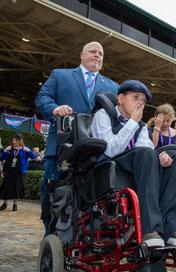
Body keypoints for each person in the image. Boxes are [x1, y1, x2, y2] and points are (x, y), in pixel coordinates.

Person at [91, 79, 176, 249]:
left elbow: (147, 148)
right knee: (147, 154)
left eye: (143, 100)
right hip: (111, 167)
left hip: (138, 167)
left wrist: (161, 157)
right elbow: (110, 149)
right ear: (120, 98)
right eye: (135, 97)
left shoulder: (140, 126)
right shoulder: (103, 115)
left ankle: (173, 227)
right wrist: (132, 122)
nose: (140, 103)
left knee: (175, 156)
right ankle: (150, 229)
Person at [35, 41, 118, 235]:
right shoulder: (60, 75)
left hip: (96, 151)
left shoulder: (113, 87)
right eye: (92, 52)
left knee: (92, 196)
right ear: (81, 55)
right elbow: (42, 98)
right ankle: (51, 235)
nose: (97, 55)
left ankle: (85, 236)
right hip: (60, 147)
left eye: (101, 54)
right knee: (51, 191)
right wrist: (54, 109)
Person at [0, 133, 35, 211]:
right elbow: (2, 157)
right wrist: (5, 150)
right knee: (6, 187)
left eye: (15, 140)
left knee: (17, 188)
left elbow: (33, 157)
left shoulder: (24, 149)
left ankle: (15, 204)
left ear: (20, 140)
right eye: (13, 140)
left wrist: (29, 151)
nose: (14, 141)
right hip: (9, 171)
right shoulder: (10, 148)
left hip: (19, 172)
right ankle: (5, 203)